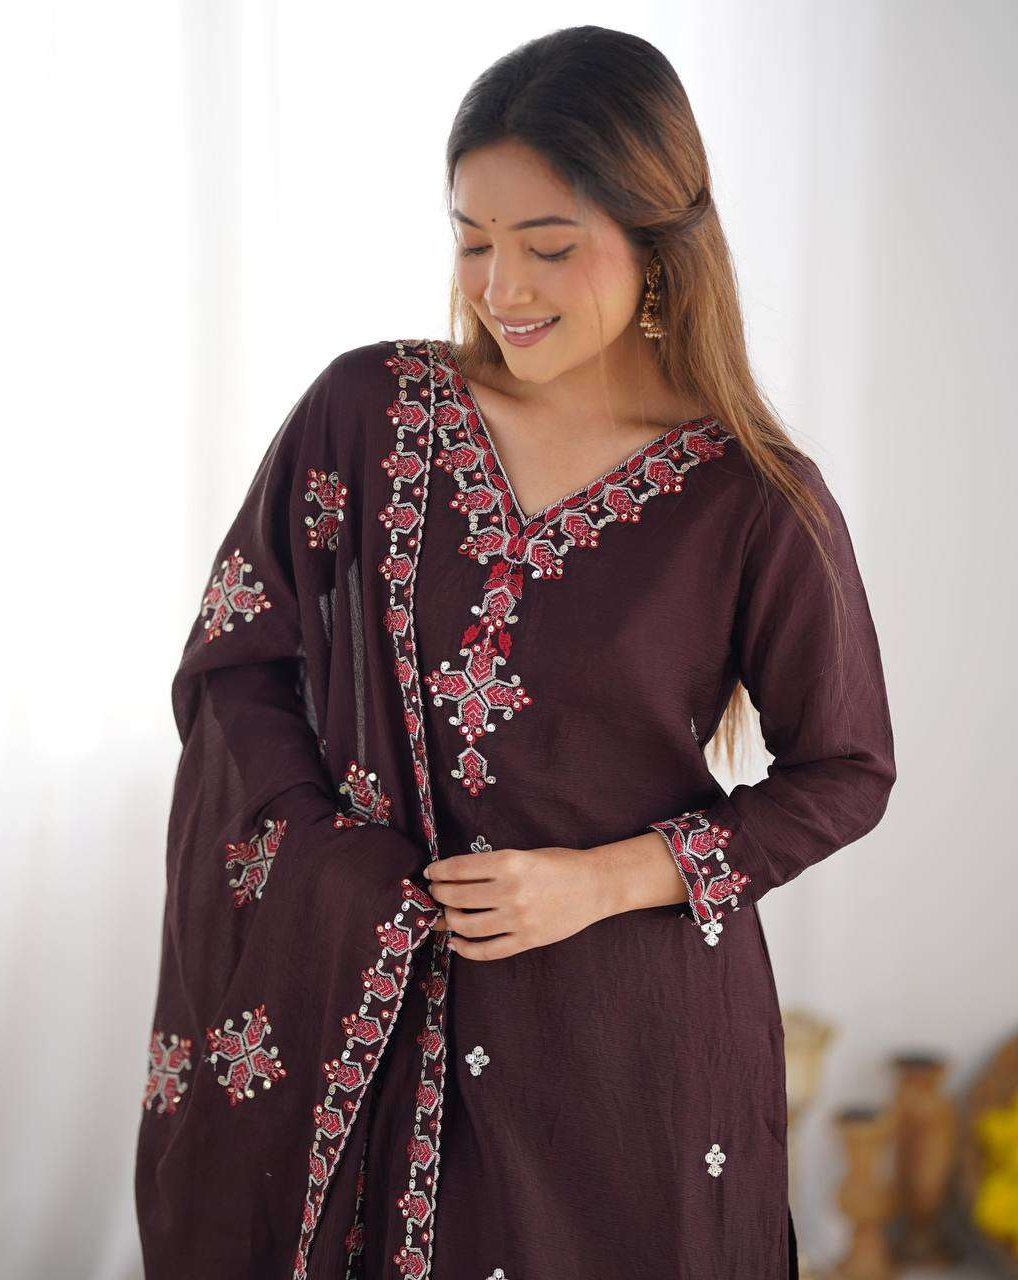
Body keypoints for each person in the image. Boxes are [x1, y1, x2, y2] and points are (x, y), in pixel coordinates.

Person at [135, 25, 895, 1280]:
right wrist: (340, 865)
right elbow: (238, 658)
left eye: (546, 245)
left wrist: (603, 880)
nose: (500, 288)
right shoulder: (371, 411)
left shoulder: (755, 499)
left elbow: (846, 771)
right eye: (472, 239)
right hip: (375, 1012)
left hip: (626, 1046)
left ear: (659, 245)